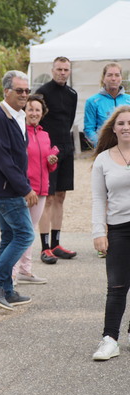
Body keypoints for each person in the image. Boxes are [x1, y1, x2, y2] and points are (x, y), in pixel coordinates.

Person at [0, 71, 36, 311]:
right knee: (25, 235)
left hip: (9, 188)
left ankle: (7, 290)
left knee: (10, 237)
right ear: (6, 92)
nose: (24, 95)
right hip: (7, 190)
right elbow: (3, 159)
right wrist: (25, 188)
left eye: (26, 90)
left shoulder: (16, 117)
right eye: (19, 90)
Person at [90, 105, 130, 361]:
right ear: (114, 128)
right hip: (118, 230)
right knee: (116, 287)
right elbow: (97, 198)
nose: (127, 127)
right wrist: (98, 231)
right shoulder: (103, 159)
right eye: (122, 123)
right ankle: (110, 340)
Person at [36, 57, 79, 264]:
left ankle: (56, 243)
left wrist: (64, 147)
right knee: (48, 197)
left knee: (61, 196)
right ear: (52, 70)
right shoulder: (43, 92)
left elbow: (68, 121)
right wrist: (45, 148)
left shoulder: (72, 94)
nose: (63, 73)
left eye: (66, 69)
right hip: (48, 151)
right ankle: (45, 248)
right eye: (59, 69)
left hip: (66, 149)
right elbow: (39, 122)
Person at [12, 95, 58, 285]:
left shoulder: (44, 135)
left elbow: (48, 166)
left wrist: (52, 161)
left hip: (41, 190)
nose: (34, 113)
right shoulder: (19, 133)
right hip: (24, 190)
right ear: (24, 111)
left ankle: (25, 270)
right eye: (30, 109)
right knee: (18, 232)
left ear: (42, 113)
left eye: (37, 110)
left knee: (29, 231)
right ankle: (12, 273)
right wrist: (23, 187)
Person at [84, 63, 130, 147]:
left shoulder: (128, 100)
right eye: (109, 75)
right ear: (103, 79)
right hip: (105, 148)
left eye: (117, 75)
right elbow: (89, 129)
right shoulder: (92, 101)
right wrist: (101, 144)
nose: (113, 78)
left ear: (121, 78)